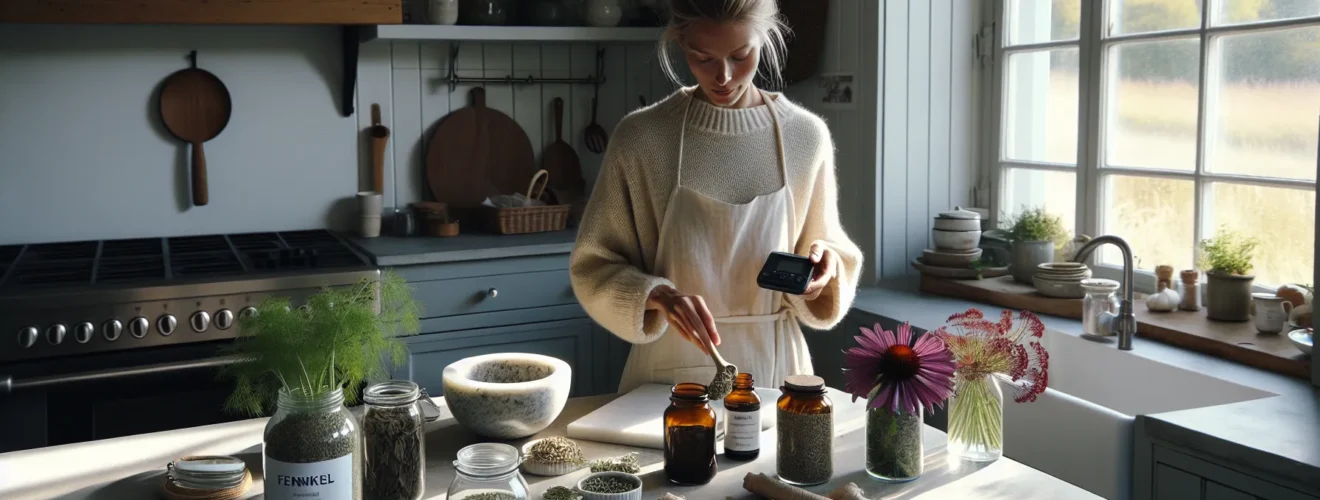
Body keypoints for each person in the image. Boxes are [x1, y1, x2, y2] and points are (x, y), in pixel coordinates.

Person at [569, 0, 863, 394]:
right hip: (665, 377)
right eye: (702, 57)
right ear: (680, 41)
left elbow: (828, 247)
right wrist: (657, 295)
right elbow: (593, 266)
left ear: (764, 38)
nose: (723, 76)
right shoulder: (642, 139)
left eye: (740, 56)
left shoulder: (805, 137)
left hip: (776, 369)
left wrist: (824, 267)